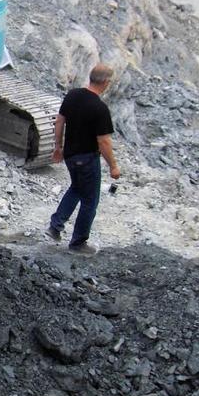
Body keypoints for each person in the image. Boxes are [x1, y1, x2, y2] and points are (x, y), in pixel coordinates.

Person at [46, 63, 121, 255]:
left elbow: (60, 120)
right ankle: (78, 242)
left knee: (76, 188)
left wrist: (58, 147)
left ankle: (56, 226)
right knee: (90, 200)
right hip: (87, 158)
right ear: (105, 82)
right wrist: (113, 166)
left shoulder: (73, 95)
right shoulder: (99, 108)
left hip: (70, 155)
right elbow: (103, 141)